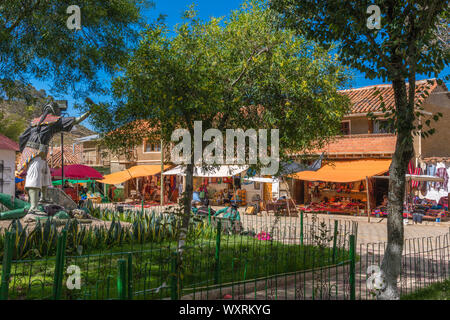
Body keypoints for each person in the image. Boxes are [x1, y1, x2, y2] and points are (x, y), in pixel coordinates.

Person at [16, 100, 92, 220]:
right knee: (34, 177)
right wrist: (89, 112)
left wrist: (23, 150)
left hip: (37, 154)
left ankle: (43, 199)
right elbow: (76, 120)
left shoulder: (34, 122)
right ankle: (33, 207)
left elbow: (22, 137)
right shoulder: (54, 120)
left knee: (45, 174)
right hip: (36, 154)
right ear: (55, 111)